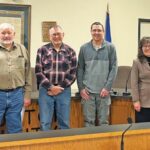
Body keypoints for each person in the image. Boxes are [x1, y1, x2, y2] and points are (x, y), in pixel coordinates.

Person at [35, 25, 77, 131]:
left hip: (64, 90)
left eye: (59, 34)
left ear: (63, 35)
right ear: (49, 36)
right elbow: (38, 72)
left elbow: (73, 73)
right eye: (54, 34)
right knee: (45, 123)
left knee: (64, 123)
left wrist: (59, 88)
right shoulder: (42, 50)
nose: (56, 36)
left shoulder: (70, 51)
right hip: (45, 91)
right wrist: (51, 87)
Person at [77, 22, 117, 127]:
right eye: (94, 30)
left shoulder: (110, 48)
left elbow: (114, 69)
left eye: (99, 30)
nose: (96, 32)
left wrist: (107, 88)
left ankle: (103, 144)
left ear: (103, 32)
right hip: (88, 93)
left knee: (104, 122)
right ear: (91, 32)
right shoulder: (84, 48)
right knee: (88, 122)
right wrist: (81, 88)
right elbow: (80, 69)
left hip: (103, 92)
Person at [0, 23, 31, 133]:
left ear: (14, 34)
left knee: (15, 128)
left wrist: (27, 95)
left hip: (17, 94)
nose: (6, 35)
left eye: (9, 33)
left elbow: (27, 73)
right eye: (3, 33)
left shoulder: (22, 49)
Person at [131, 36, 150, 123]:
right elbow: (133, 83)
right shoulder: (137, 62)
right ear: (141, 48)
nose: (147, 48)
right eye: (145, 46)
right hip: (143, 102)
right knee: (143, 129)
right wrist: (136, 101)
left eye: (149, 46)